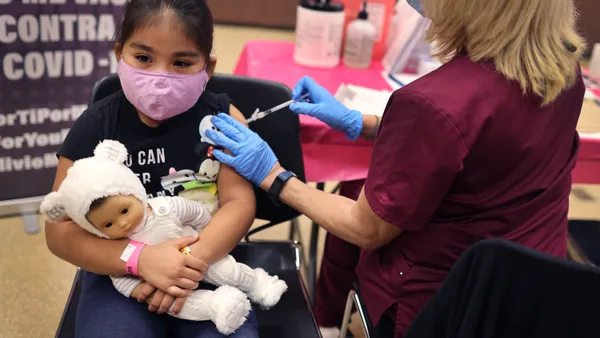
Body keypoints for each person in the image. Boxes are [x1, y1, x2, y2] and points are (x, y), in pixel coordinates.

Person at [204, 0, 586, 337]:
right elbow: (483, 141)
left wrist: (273, 174)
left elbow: (365, 228)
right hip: (534, 286)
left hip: (443, 303)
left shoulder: (433, 103)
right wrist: (365, 122)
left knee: (354, 194)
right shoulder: (561, 68)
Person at [45, 1, 259, 337]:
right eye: (143, 58)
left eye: (182, 62)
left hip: (209, 263)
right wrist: (140, 259)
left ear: (209, 66)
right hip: (117, 272)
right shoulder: (95, 125)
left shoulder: (224, 121)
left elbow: (239, 203)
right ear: (120, 54)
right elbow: (58, 231)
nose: (160, 76)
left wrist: (182, 265)